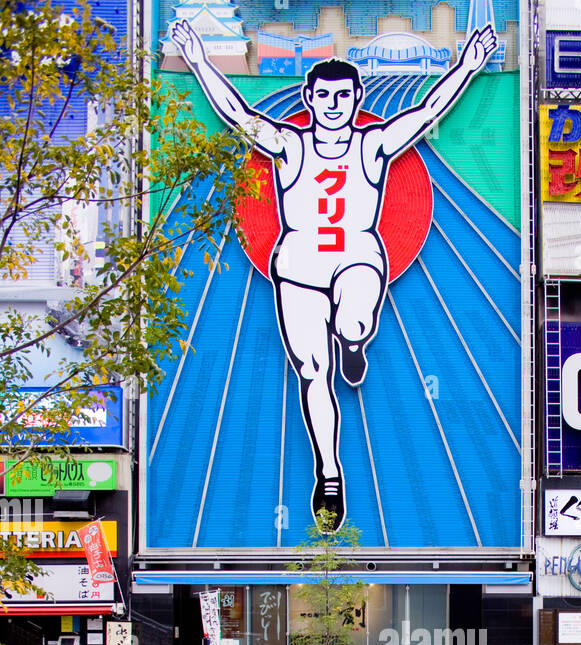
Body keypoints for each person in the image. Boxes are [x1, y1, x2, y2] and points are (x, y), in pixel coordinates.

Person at [169, 19, 496, 531]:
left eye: (344, 95)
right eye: (324, 95)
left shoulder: (374, 145)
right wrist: (198, 60)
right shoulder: (289, 146)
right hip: (298, 270)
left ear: (355, 96)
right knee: (312, 374)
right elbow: (237, 114)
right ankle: (328, 469)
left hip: (358, 259)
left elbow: (429, 110)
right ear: (311, 97)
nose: (334, 103)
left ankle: (354, 341)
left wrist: (467, 66)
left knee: (354, 317)